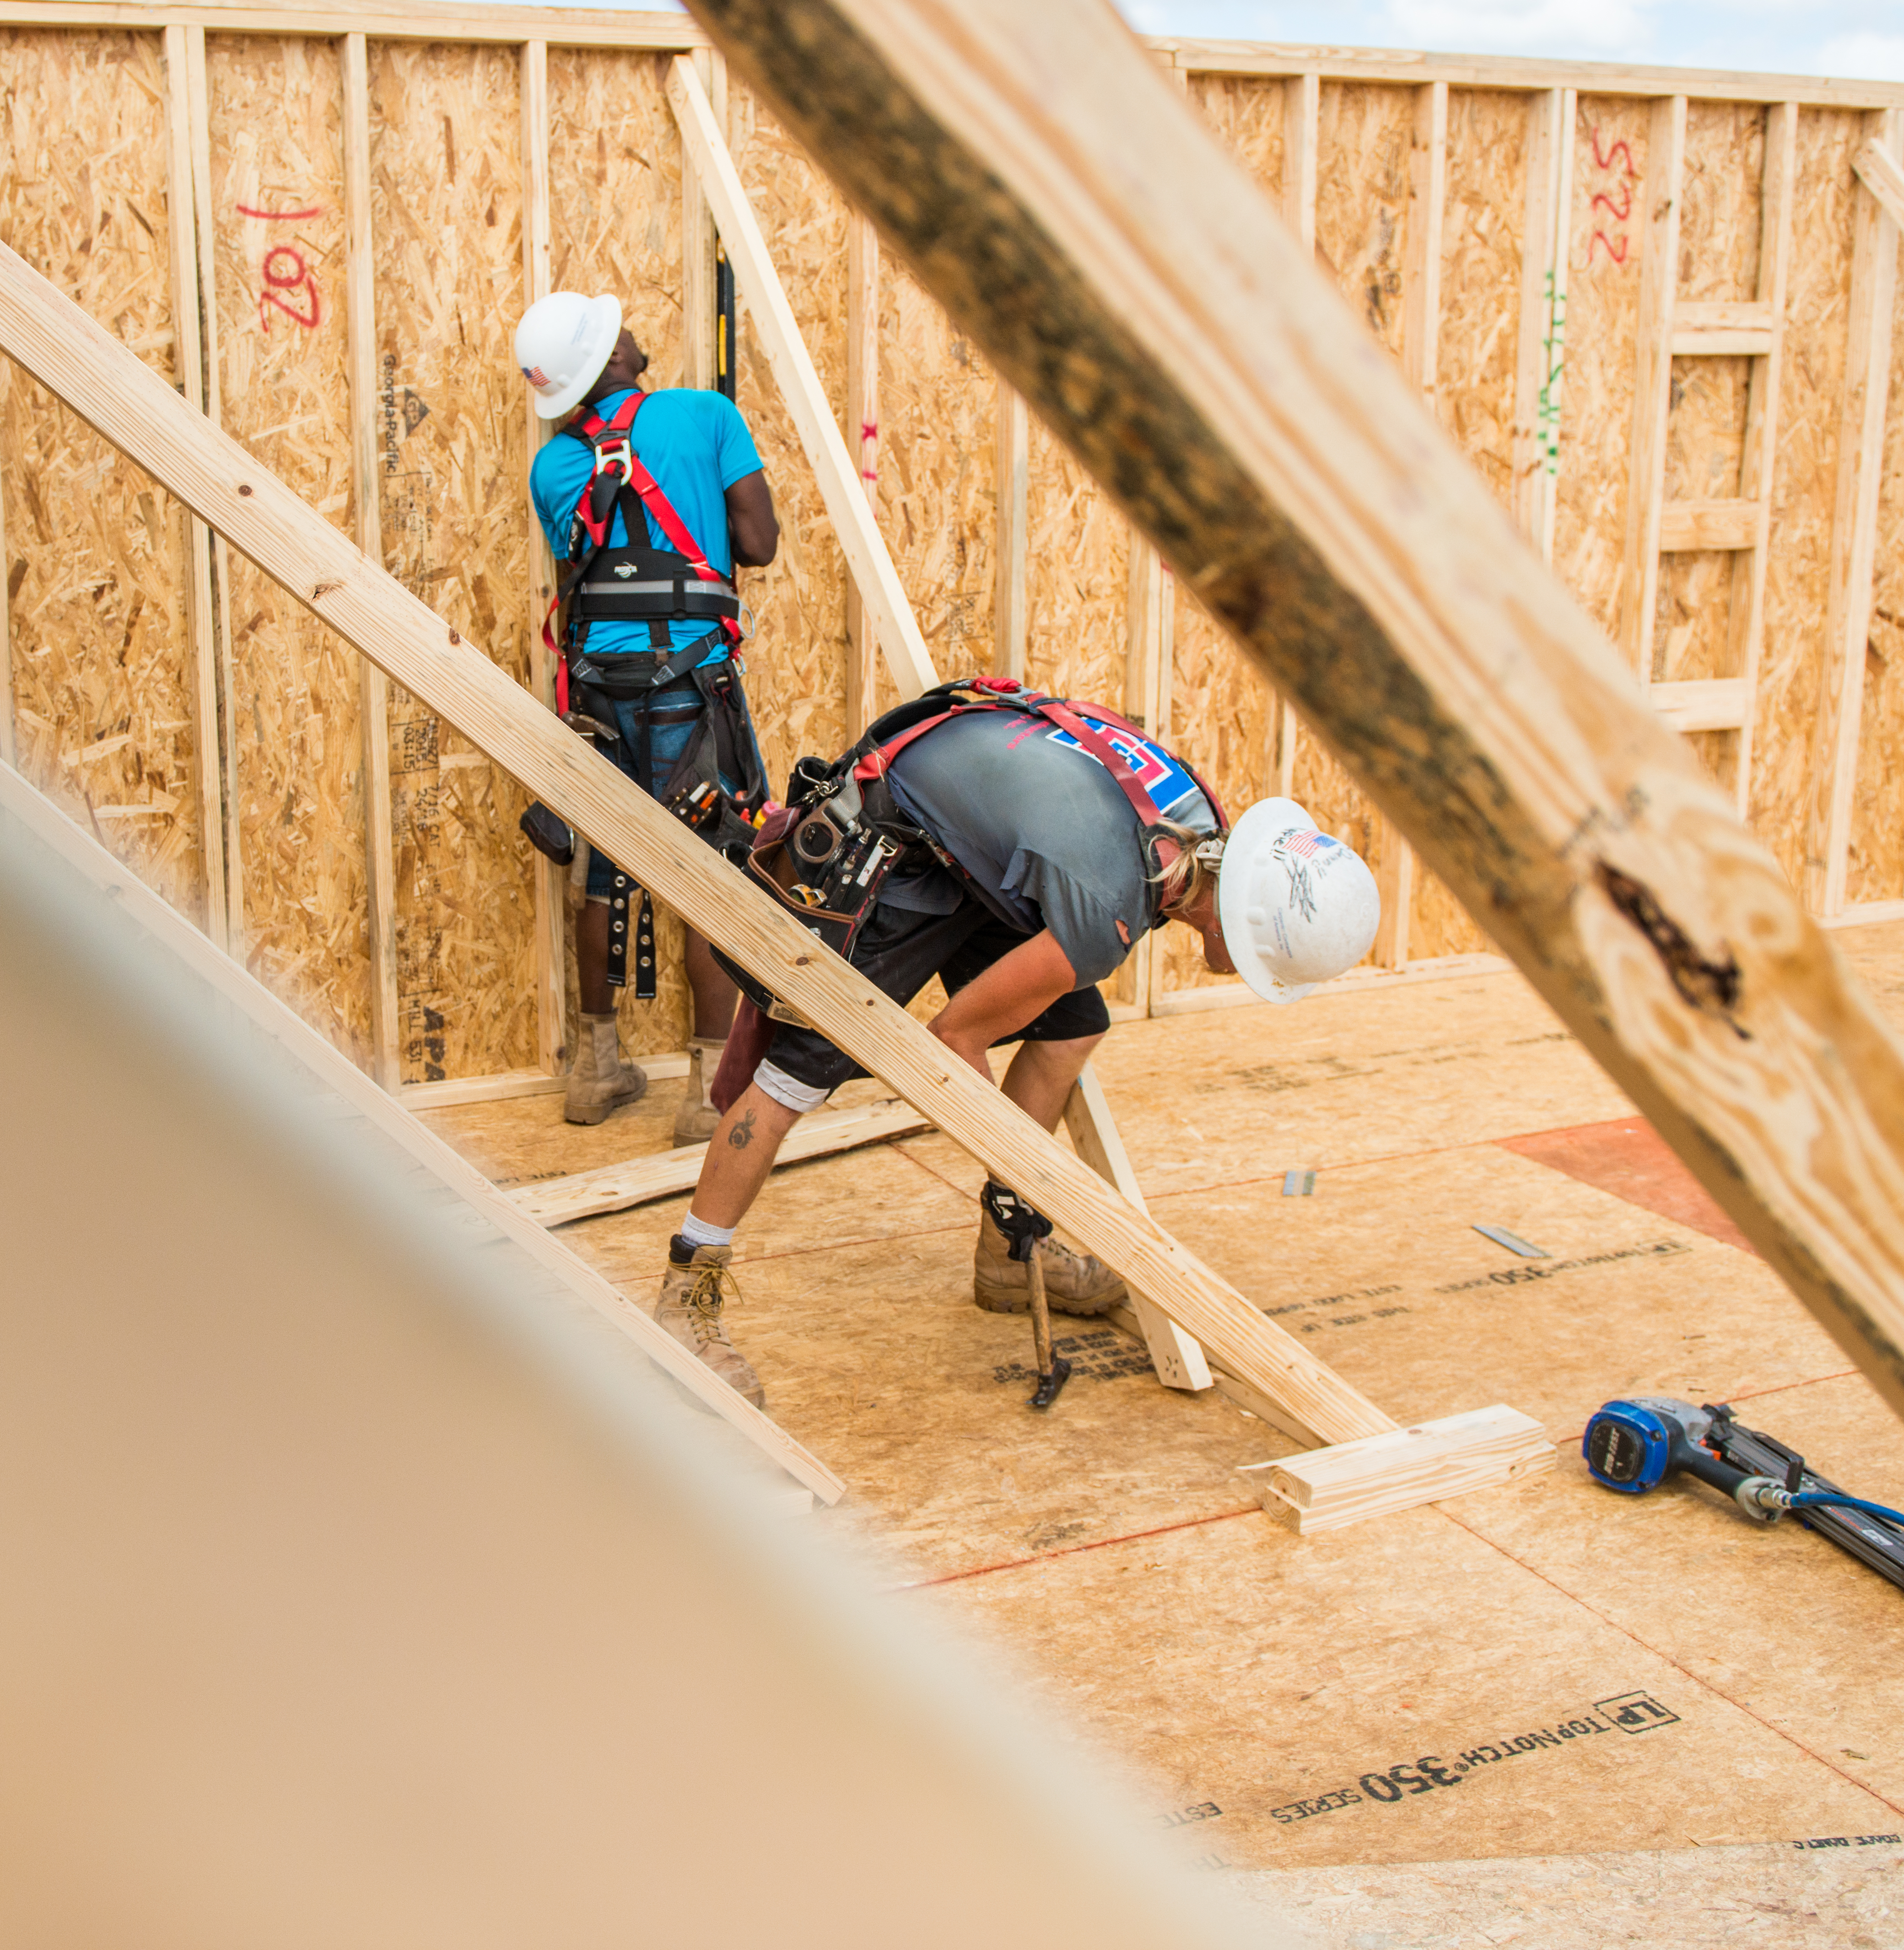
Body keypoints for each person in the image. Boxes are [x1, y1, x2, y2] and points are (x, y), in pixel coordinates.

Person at [647, 685, 1382, 1405]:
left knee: (1074, 1025)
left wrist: (1016, 1194)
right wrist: (1026, 1174)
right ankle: (685, 1295)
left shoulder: (1197, 817)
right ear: (1234, 931)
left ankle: (1006, 1256)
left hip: (969, 848)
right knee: (792, 1082)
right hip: (891, 845)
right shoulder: (1107, 908)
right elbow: (956, 1040)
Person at [517, 289, 781, 1136]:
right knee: (708, 870)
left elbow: (578, 584)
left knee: (606, 868)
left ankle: (594, 1073)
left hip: (599, 690)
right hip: (689, 684)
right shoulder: (704, 415)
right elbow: (760, 543)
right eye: (617, 333)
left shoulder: (553, 467)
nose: (630, 332)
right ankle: (710, 1095)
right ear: (613, 363)